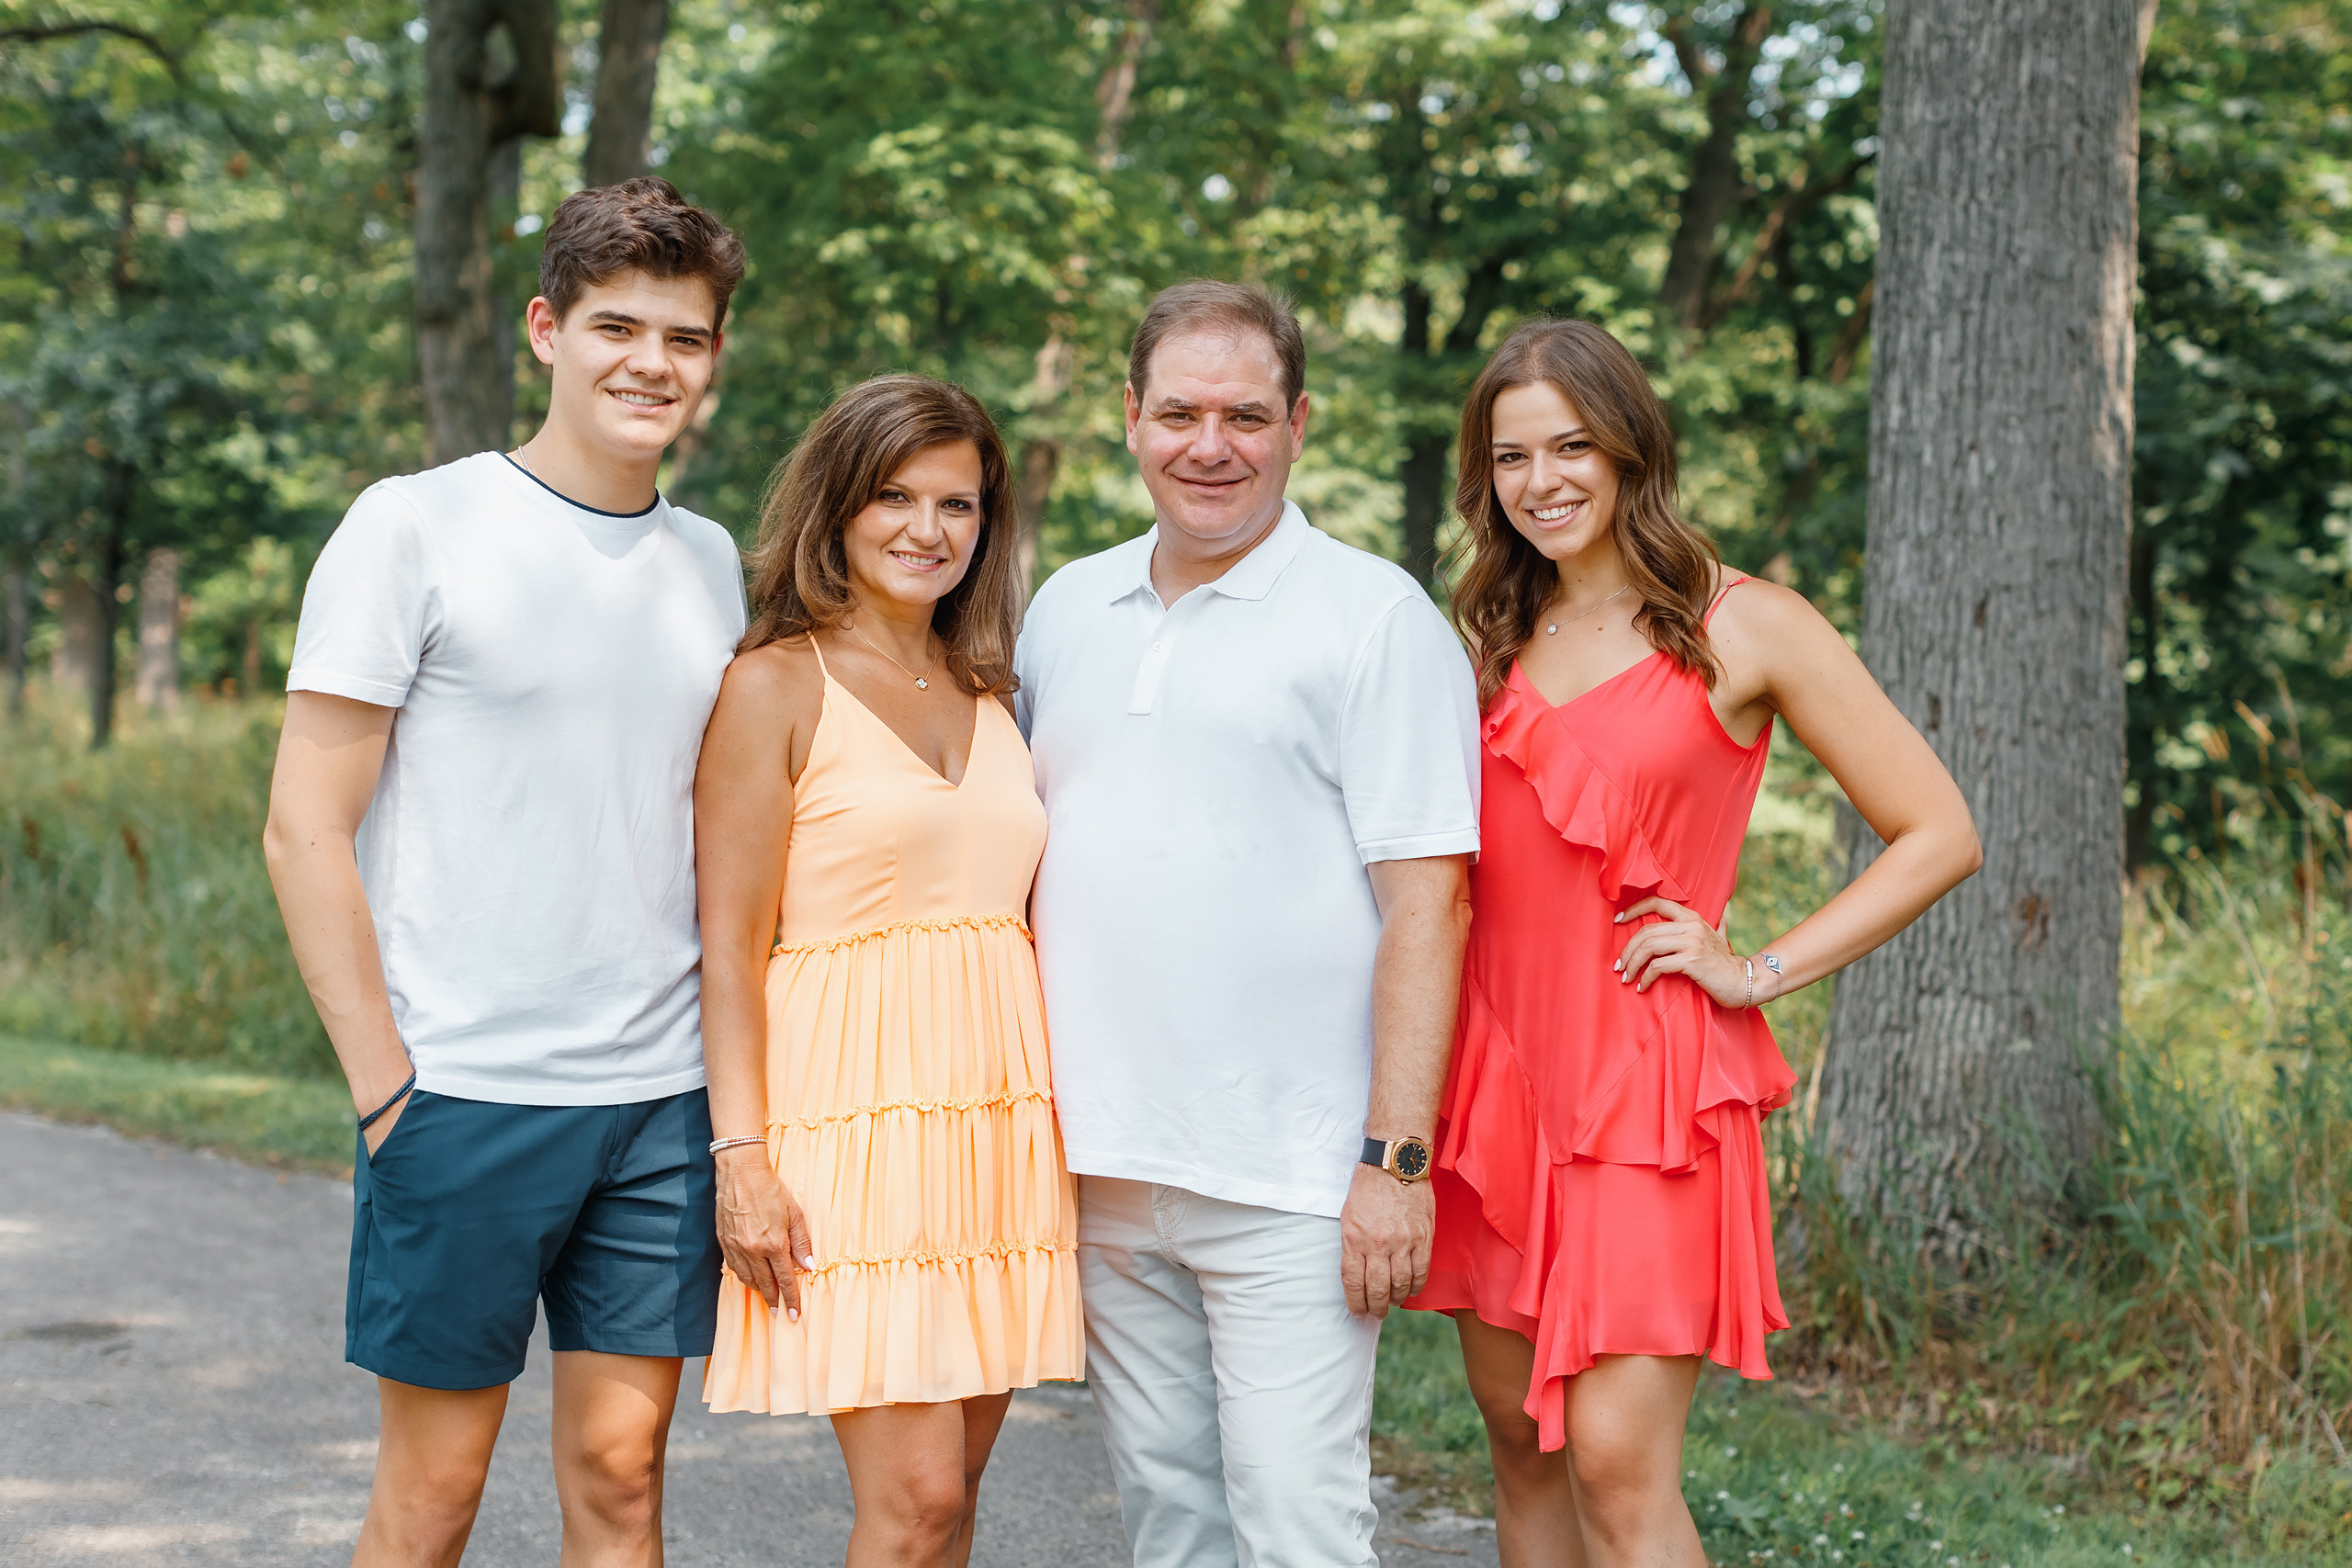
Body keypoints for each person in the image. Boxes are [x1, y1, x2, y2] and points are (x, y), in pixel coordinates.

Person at [1404, 317, 1983, 1567]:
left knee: (1617, 1463)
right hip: (1497, 1082)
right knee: (1520, 1442)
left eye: (1572, 446)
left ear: (1628, 451)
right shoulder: (1487, 639)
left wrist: (1758, 967)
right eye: (1511, 457)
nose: (1543, 480)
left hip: (1648, 1087)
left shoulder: (1744, 623)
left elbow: (1937, 831)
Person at [261, 178, 748, 1565]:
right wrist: (381, 1084)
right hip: (462, 1094)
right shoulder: (413, 528)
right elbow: (304, 826)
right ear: (546, 329)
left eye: (688, 337)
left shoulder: (711, 565)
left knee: (622, 1478)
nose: (650, 363)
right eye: (617, 326)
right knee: (435, 1497)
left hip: (658, 1105)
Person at [1014, 280, 1483, 1567]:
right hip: (1105, 1164)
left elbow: (1430, 902)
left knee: (1298, 1528)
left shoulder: (1377, 619)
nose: (1208, 445)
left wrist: (1394, 1168)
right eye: (1178, 412)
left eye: (1245, 415)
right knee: (1171, 1525)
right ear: (1129, 417)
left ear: (1299, 423)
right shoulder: (1065, 609)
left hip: (1292, 1176)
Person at [695, 373, 1083, 1565]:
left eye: (958, 506)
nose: (928, 530)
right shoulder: (773, 686)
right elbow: (728, 946)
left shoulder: (994, 688)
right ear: (839, 509)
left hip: (998, 1126)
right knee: (910, 1504)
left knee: (954, 1500)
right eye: (895, 498)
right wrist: (742, 1157)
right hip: (854, 1129)